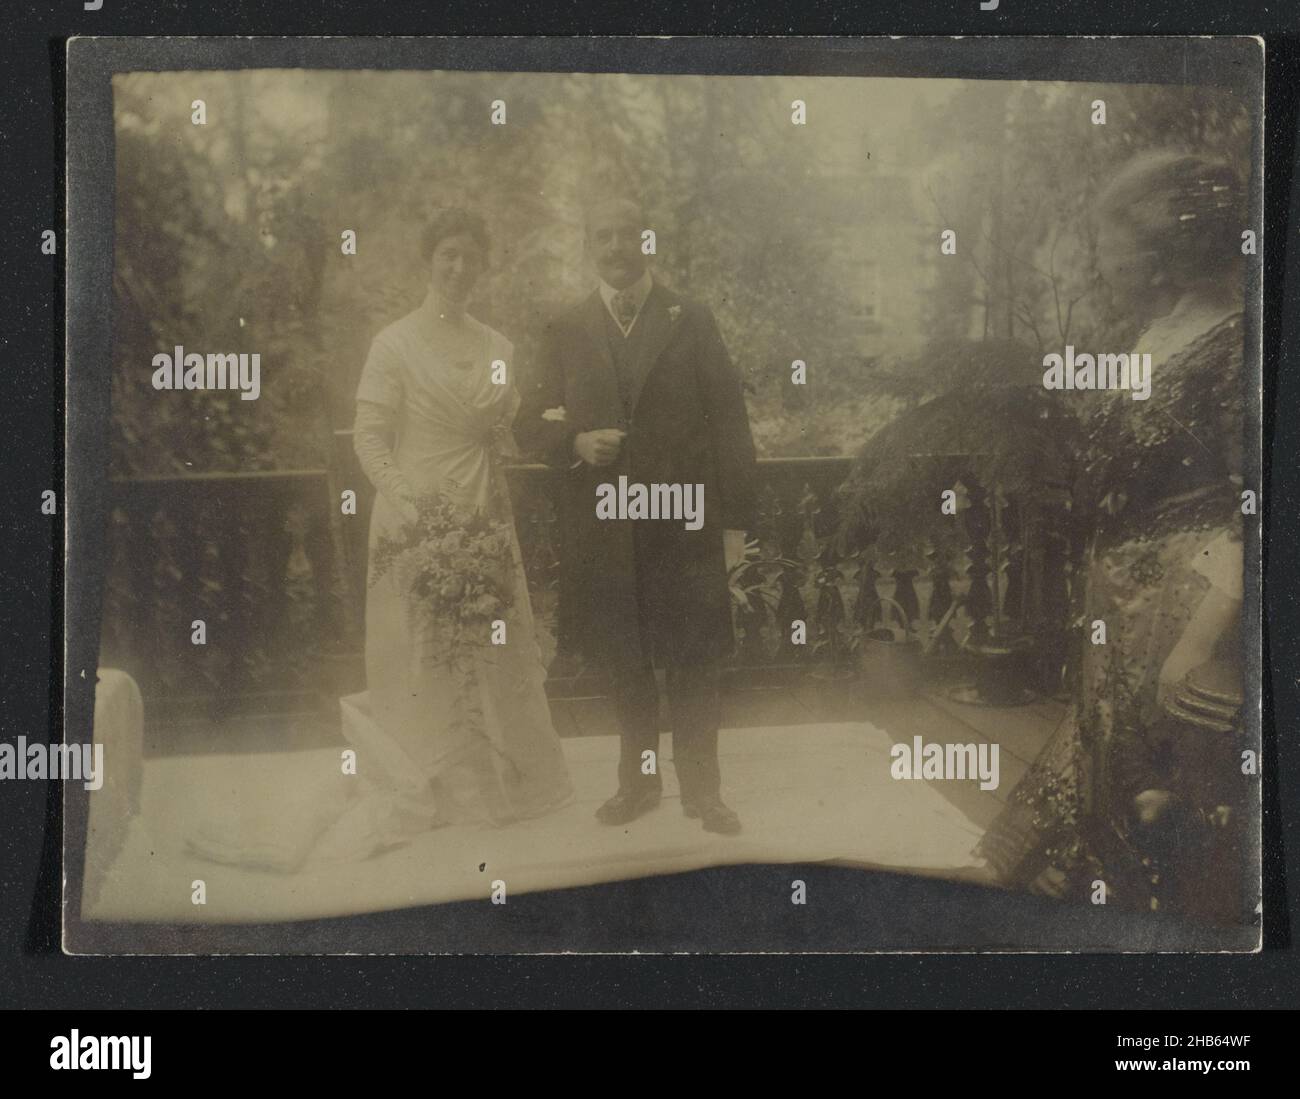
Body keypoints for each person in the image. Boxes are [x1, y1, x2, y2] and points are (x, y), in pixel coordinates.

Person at [976, 151, 1248, 911]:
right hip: (1121, 609)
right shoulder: (1155, 334)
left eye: (1107, 247)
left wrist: (1199, 639)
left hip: (1185, 610)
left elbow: (1253, 504)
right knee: (1110, 786)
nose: (1098, 263)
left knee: (1164, 803)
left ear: (1159, 257)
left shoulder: (1239, 345)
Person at [515, 196, 758, 834]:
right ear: (590, 248)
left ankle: (704, 792)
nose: (617, 246)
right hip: (606, 529)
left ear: (647, 243)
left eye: (628, 235)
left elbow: (731, 422)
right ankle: (638, 786)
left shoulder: (691, 319)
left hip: (683, 525)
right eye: (605, 236)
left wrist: (734, 524)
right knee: (625, 663)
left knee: (694, 661)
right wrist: (574, 443)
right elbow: (525, 424)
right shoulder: (565, 327)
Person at [347, 207, 574, 839]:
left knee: (493, 643)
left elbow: (508, 430)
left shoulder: (497, 348)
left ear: (482, 265)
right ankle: (434, 784)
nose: (459, 266)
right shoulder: (393, 344)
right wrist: (411, 505)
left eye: (471, 256)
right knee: (420, 650)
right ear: (429, 260)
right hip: (412, 513)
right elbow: (369, 440)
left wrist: (568, 429)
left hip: (483, 508)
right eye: (448, 253)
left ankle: (501, 781)